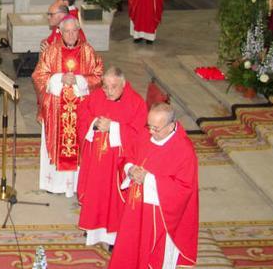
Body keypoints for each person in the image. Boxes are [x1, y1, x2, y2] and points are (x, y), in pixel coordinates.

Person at [109, 103, 199, 269]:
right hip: (135, 209)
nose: (150, 132)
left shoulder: (183, 150)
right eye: (149, 126)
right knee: (130, 248)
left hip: (160, 216)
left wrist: (149, 179)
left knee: (151, 256)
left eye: (156, 129)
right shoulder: (146, 134)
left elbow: (184, 189)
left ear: (171, 126)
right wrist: (130, 170)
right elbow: (128, 155)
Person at [31, 16, 103, 197]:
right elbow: (38, 75)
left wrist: (80, 80)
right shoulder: (52, 51)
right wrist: (58, 79)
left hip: (80, 111)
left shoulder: (88, 51)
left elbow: (99, 76)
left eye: (74, 31)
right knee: (57, 143)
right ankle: (55, 185)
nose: (71, 35)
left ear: (78, 31)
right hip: (56, 111)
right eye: (67, 31)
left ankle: (78, 184)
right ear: (60, 32)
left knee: (79, 144)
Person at [76, 67, 148, 248]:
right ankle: (93, 229)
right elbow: (83, 114)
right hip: (96, 161)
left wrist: (113, 128)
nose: (107, 91)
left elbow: (140, 134)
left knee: (114, 199)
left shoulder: (136, 103)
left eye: (113, 87)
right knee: (95, 192)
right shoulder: (97, 96)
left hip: (118, 163)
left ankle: (114, 238)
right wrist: (94, 123)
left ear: (123, 84)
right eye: (105, 86)